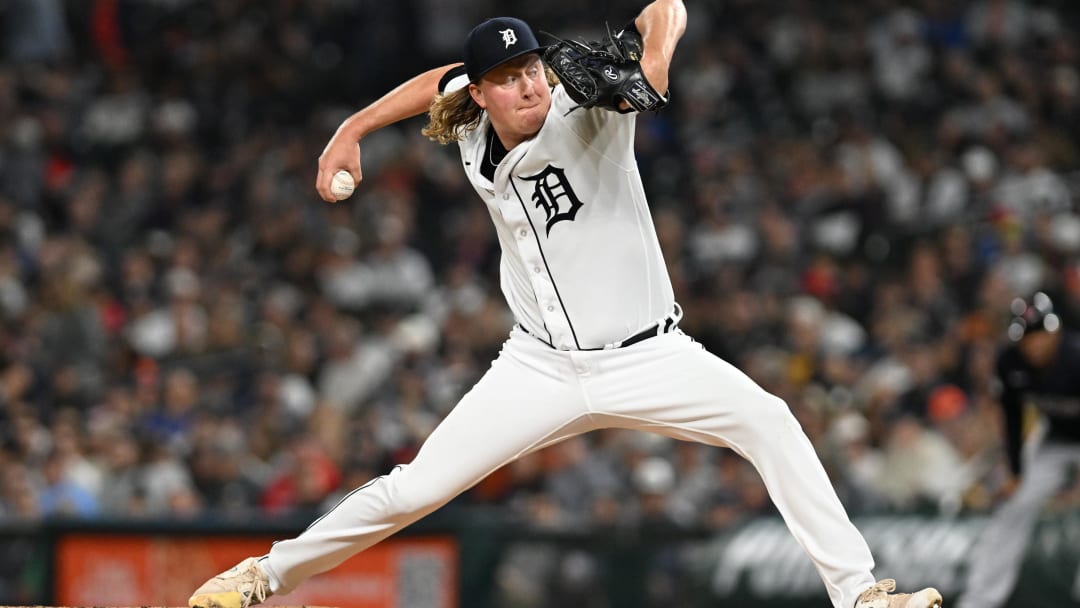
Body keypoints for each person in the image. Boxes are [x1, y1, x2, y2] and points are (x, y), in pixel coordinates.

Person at [189, 3, 943, 608]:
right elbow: (437, 81)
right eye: (510, 76)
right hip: (538, 366)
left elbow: (665, 8)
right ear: (481, 91)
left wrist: (654, 58)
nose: (531, 85)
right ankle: (262, 577)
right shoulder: (471, 112)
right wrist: (351, 129)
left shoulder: (589, 106)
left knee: (769, 421)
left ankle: (861, 595)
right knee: (413, 489)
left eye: (534, 68)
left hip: (649, 355)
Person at [958, 292, 1080, 608]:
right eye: (1027, 337)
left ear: (1056, 331)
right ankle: (980, 600)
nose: (1034, 343)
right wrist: (1015, 472)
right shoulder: (1009, 361)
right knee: (1012, 506)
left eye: (1040, 334)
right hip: (1054, 439)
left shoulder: (1075, 358)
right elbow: (1013, 420)